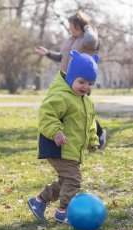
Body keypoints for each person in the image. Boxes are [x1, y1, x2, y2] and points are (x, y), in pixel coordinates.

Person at [27, 50, 100, 223]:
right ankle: (63, 211)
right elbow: (47, 115)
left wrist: (92, 140)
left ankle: (39, 201)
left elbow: (90, 123)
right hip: (59, 147)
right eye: (81, 82)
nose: (85, 87)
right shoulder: (61, 97)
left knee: (65, 181)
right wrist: (56, 132)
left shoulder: (86, 101)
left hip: (72, 149)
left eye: (90, 83)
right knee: (74, 180)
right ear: (71, 77)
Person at [35, 11, 106, 149]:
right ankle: (62, 137)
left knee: (81, 111)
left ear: (79, 26)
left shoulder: (88, 39)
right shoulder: (70, 39)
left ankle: (98, 134)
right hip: (67, 80)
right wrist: (48, 53)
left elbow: (92, 40)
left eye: (72, 26)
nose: (69, 29)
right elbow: (63, 57)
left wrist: (88, 27)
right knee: (68, 110)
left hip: (82, 81)